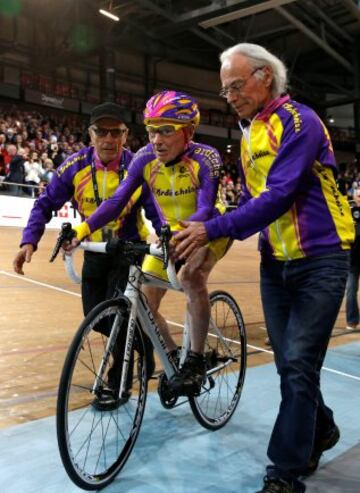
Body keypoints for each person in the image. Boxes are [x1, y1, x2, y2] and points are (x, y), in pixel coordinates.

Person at [174, 43, 354, 493]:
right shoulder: (251, 132)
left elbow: (281, 194)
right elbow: (257, 201)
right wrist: (213, 237)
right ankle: (322, 429)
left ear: (264, 77)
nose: (230, 95)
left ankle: (284, 475)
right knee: (290, 367)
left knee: (297, 364)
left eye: (236, 85)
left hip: (322, 260)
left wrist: (213, 227)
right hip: (276, 265)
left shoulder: (300, 121)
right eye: (225, 90)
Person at [66, 90, 231, 396]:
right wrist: (82, 230)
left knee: (190, 277)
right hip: (169, 236)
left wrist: (186, 233)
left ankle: (194, 361)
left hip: (207, 230)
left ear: (189, 131)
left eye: (166, 130)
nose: (157, 140)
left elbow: (205, 207)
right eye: (153, 130)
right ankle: (172, 359)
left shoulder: (207, 157)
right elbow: (117, 201)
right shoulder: (144, 159)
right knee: (143, 300)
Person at [13, 102, 155, 410]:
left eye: (115, 132)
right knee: (95, 317)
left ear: (125, 135)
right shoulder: (74, 166)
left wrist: (169, 239)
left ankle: (118, 383)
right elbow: (44, 204)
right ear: (90, 135)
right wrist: (29, 242)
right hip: (94, 250)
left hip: (129, 251)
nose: (108, 139)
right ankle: (143, 342)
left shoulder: (137, 165)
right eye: (100, 131)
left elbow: (156, 208)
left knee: (117, 316)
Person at [345, 188, 360, 330]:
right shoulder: (349, 212)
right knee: (350, 290)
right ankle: (352, 320)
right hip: (353, 260)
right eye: (359, 196)